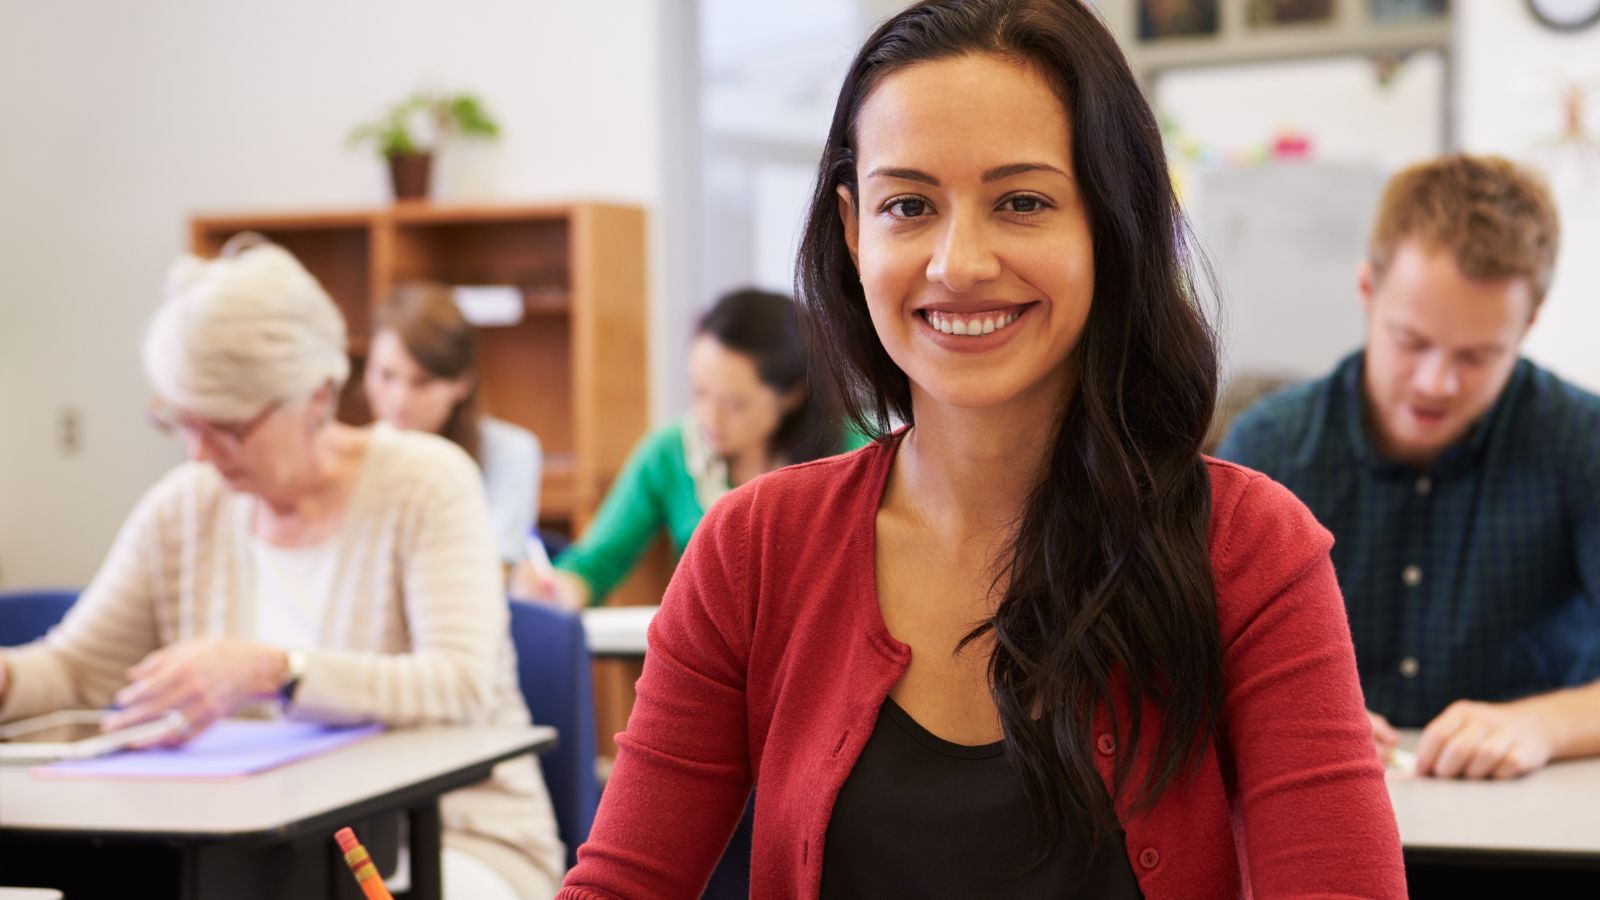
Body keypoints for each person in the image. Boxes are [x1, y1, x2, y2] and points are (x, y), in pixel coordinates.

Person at [558, 2, 1405, 898]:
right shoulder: (753, 550)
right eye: (908, 205)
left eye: (1022, 202)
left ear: (1111, 220)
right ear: (853, 229)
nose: (958, 263)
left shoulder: (1249, 549)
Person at [0, 239, 564, 899]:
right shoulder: (185, 507)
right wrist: (7, 679)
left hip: (449, 838)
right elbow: (75, 672)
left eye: (227, 427)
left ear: (316, 397)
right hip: (257, 853)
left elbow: (459, 683)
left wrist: (274, 671)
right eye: (183, 421)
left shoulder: (427, 483)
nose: (200, 453)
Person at [1218, 154, 1600, 781]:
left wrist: (1542, 726)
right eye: (1412, 341)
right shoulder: (1269, 450)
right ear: (1367, 291)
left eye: (1477, 356)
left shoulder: (1583, 442)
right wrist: (1287, 717)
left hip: (1531, 808)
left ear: (1528, 323)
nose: (1435, 383)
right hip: (1320, 797)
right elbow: (1190, 668)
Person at [515, 288, 863, 609]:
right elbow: (594, 565)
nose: (711, 418)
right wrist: (555, 590)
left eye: (736, 404)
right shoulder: (670, 452)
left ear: (792, 395)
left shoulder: (859, 451)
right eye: (700, 393)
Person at [365, 281, 542, 566]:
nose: (400, 399)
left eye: (422, 382)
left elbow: (494, 568)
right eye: (386, 375)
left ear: (463, 383)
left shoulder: (510, 452)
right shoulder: (354, 457)